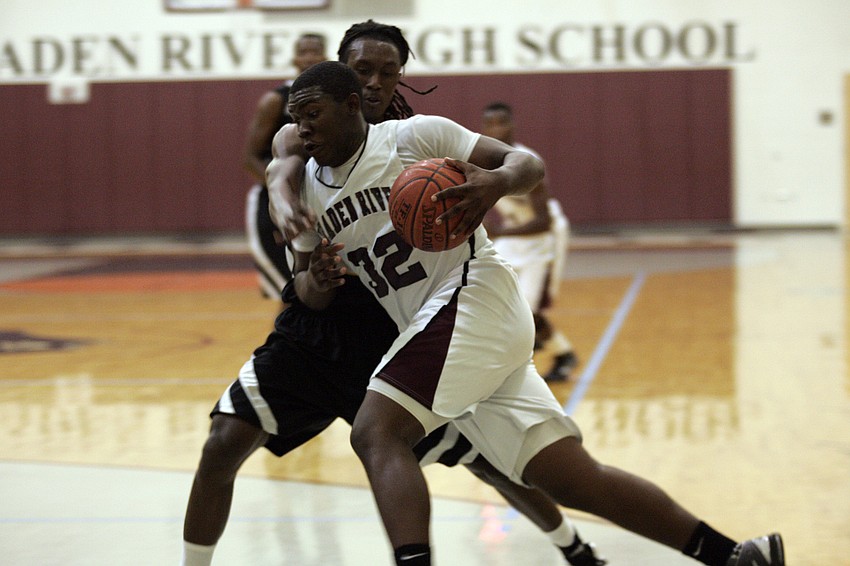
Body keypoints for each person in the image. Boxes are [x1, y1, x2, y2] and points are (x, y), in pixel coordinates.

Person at [272, 60, 784, 566]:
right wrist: (314, 278)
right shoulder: (303, 193)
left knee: (376, 431)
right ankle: (738, 556)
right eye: (297, 118)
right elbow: (306, 289)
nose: (304, 127)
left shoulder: (412, 139)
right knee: (570, 479)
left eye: (314, 113)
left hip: (472, 296)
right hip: (454, 333)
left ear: (351, 105)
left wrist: (497, 183)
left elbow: (527, 163)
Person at [181, 21, 604, 566]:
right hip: (317, 330)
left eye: (389, 73)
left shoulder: (415, 137)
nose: (377, 83)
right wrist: (284, 205)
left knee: (489, 458)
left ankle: (573, 546)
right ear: (341, 78)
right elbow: (281, 170)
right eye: (363, 71)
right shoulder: (301, 131)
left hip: (397, 325)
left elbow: (512, 169)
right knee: (222, 443)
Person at [481, 101, 579, 382]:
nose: (495, 129)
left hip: (543, 238)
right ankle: (547, 348)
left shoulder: (527, 163)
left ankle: (559, 354)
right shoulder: (485, 159)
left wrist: (498, 233)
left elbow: (543, 222)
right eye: (490, 124)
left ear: (512, 125)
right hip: (513, 234)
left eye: (501, 123)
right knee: (492, 290)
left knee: (527, 310)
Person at [242, 32, 326, 298]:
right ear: (294, 58)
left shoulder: (333, 98)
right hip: (275, 204)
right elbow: (250, 158)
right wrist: (283, 193)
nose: (309, 57)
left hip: (317, 202)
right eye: (304, 52)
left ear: (325, 57)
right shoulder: (276, 100)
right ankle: (283, 341)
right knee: (292, 293)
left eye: (315, 52)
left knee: (316, 293)